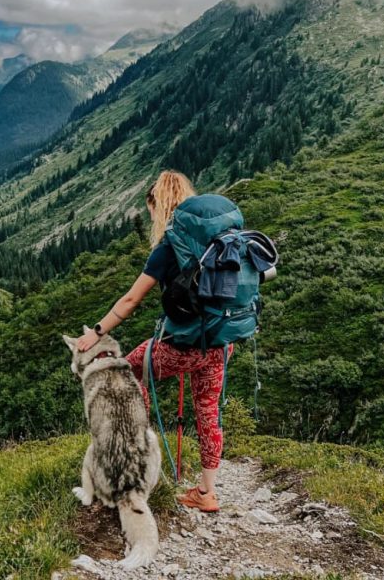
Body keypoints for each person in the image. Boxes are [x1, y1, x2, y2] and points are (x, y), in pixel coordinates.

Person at [76, 170, 229, 513]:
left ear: (158, 206)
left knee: (127, 371)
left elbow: (130, 301)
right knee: (207, 409)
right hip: (220, 340)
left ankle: (135, 460)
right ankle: (207, 493)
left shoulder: (168, 247)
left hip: (183, 344)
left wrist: (96, 332)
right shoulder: (216, 240)